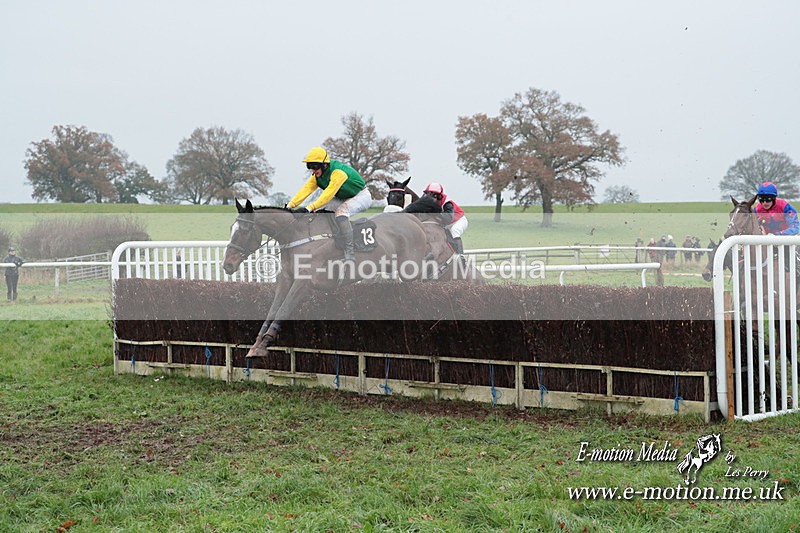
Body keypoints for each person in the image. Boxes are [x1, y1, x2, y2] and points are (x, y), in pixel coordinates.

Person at [286, 147, 372, 261]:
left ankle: (350, 252)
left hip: (361, 196)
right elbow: (306, 190)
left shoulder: (338, 173)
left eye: (315, 166)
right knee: (320, 212)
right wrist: (290, 206)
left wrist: (308, 208)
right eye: (310, 167)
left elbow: (328, 194)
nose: (313, 170)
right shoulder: (317, 176)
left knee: (341, 213)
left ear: (325, 165)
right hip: (343, 197)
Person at [421, 182, 468, 253]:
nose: (432, 198)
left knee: (454, 231)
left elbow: (448, 218)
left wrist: (435, 213)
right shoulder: (425, 199)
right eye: (430, 194)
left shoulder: (447, 203)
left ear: (440, 196)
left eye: (435, 195)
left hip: (458, 221)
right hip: (446, 223)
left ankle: (460, 255)